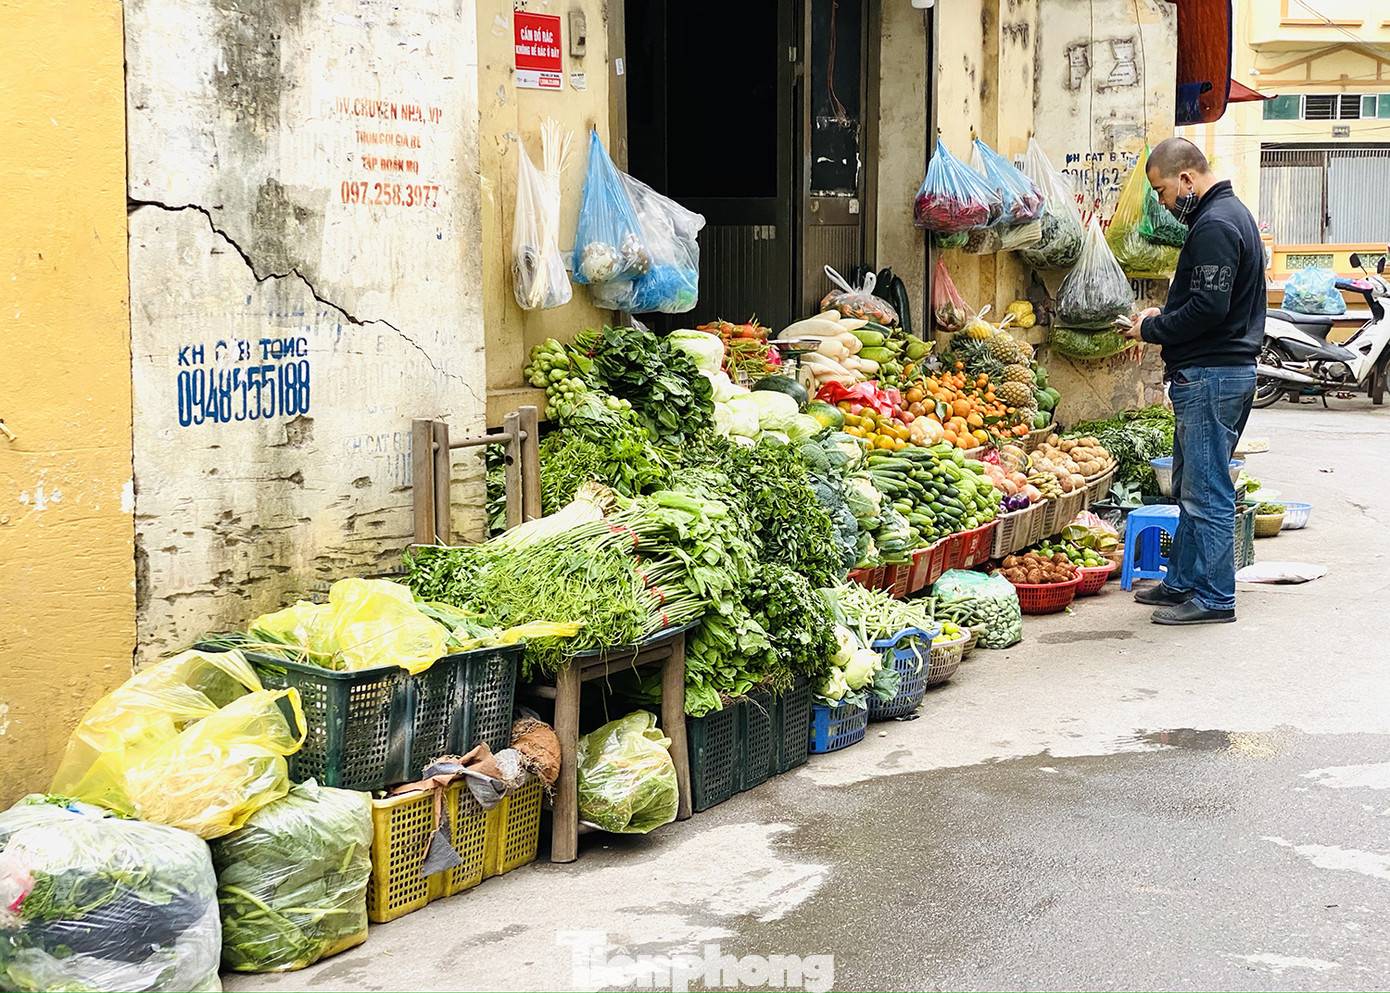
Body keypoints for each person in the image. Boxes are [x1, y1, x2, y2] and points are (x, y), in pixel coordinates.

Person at [1122, 137, 1266, 625]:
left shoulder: (1216, 224)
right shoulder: (1224, 216)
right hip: (1213, 372)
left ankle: (1214, 598)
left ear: (1186, 179)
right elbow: (1209, 301)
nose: (1163, 203)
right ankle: (1182, 581)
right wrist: (1167, 312)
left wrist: (1153, 328)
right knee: (1189, 484)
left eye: (1162, 190)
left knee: (1206, 491)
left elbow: (1210, 308)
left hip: (1212, 375)